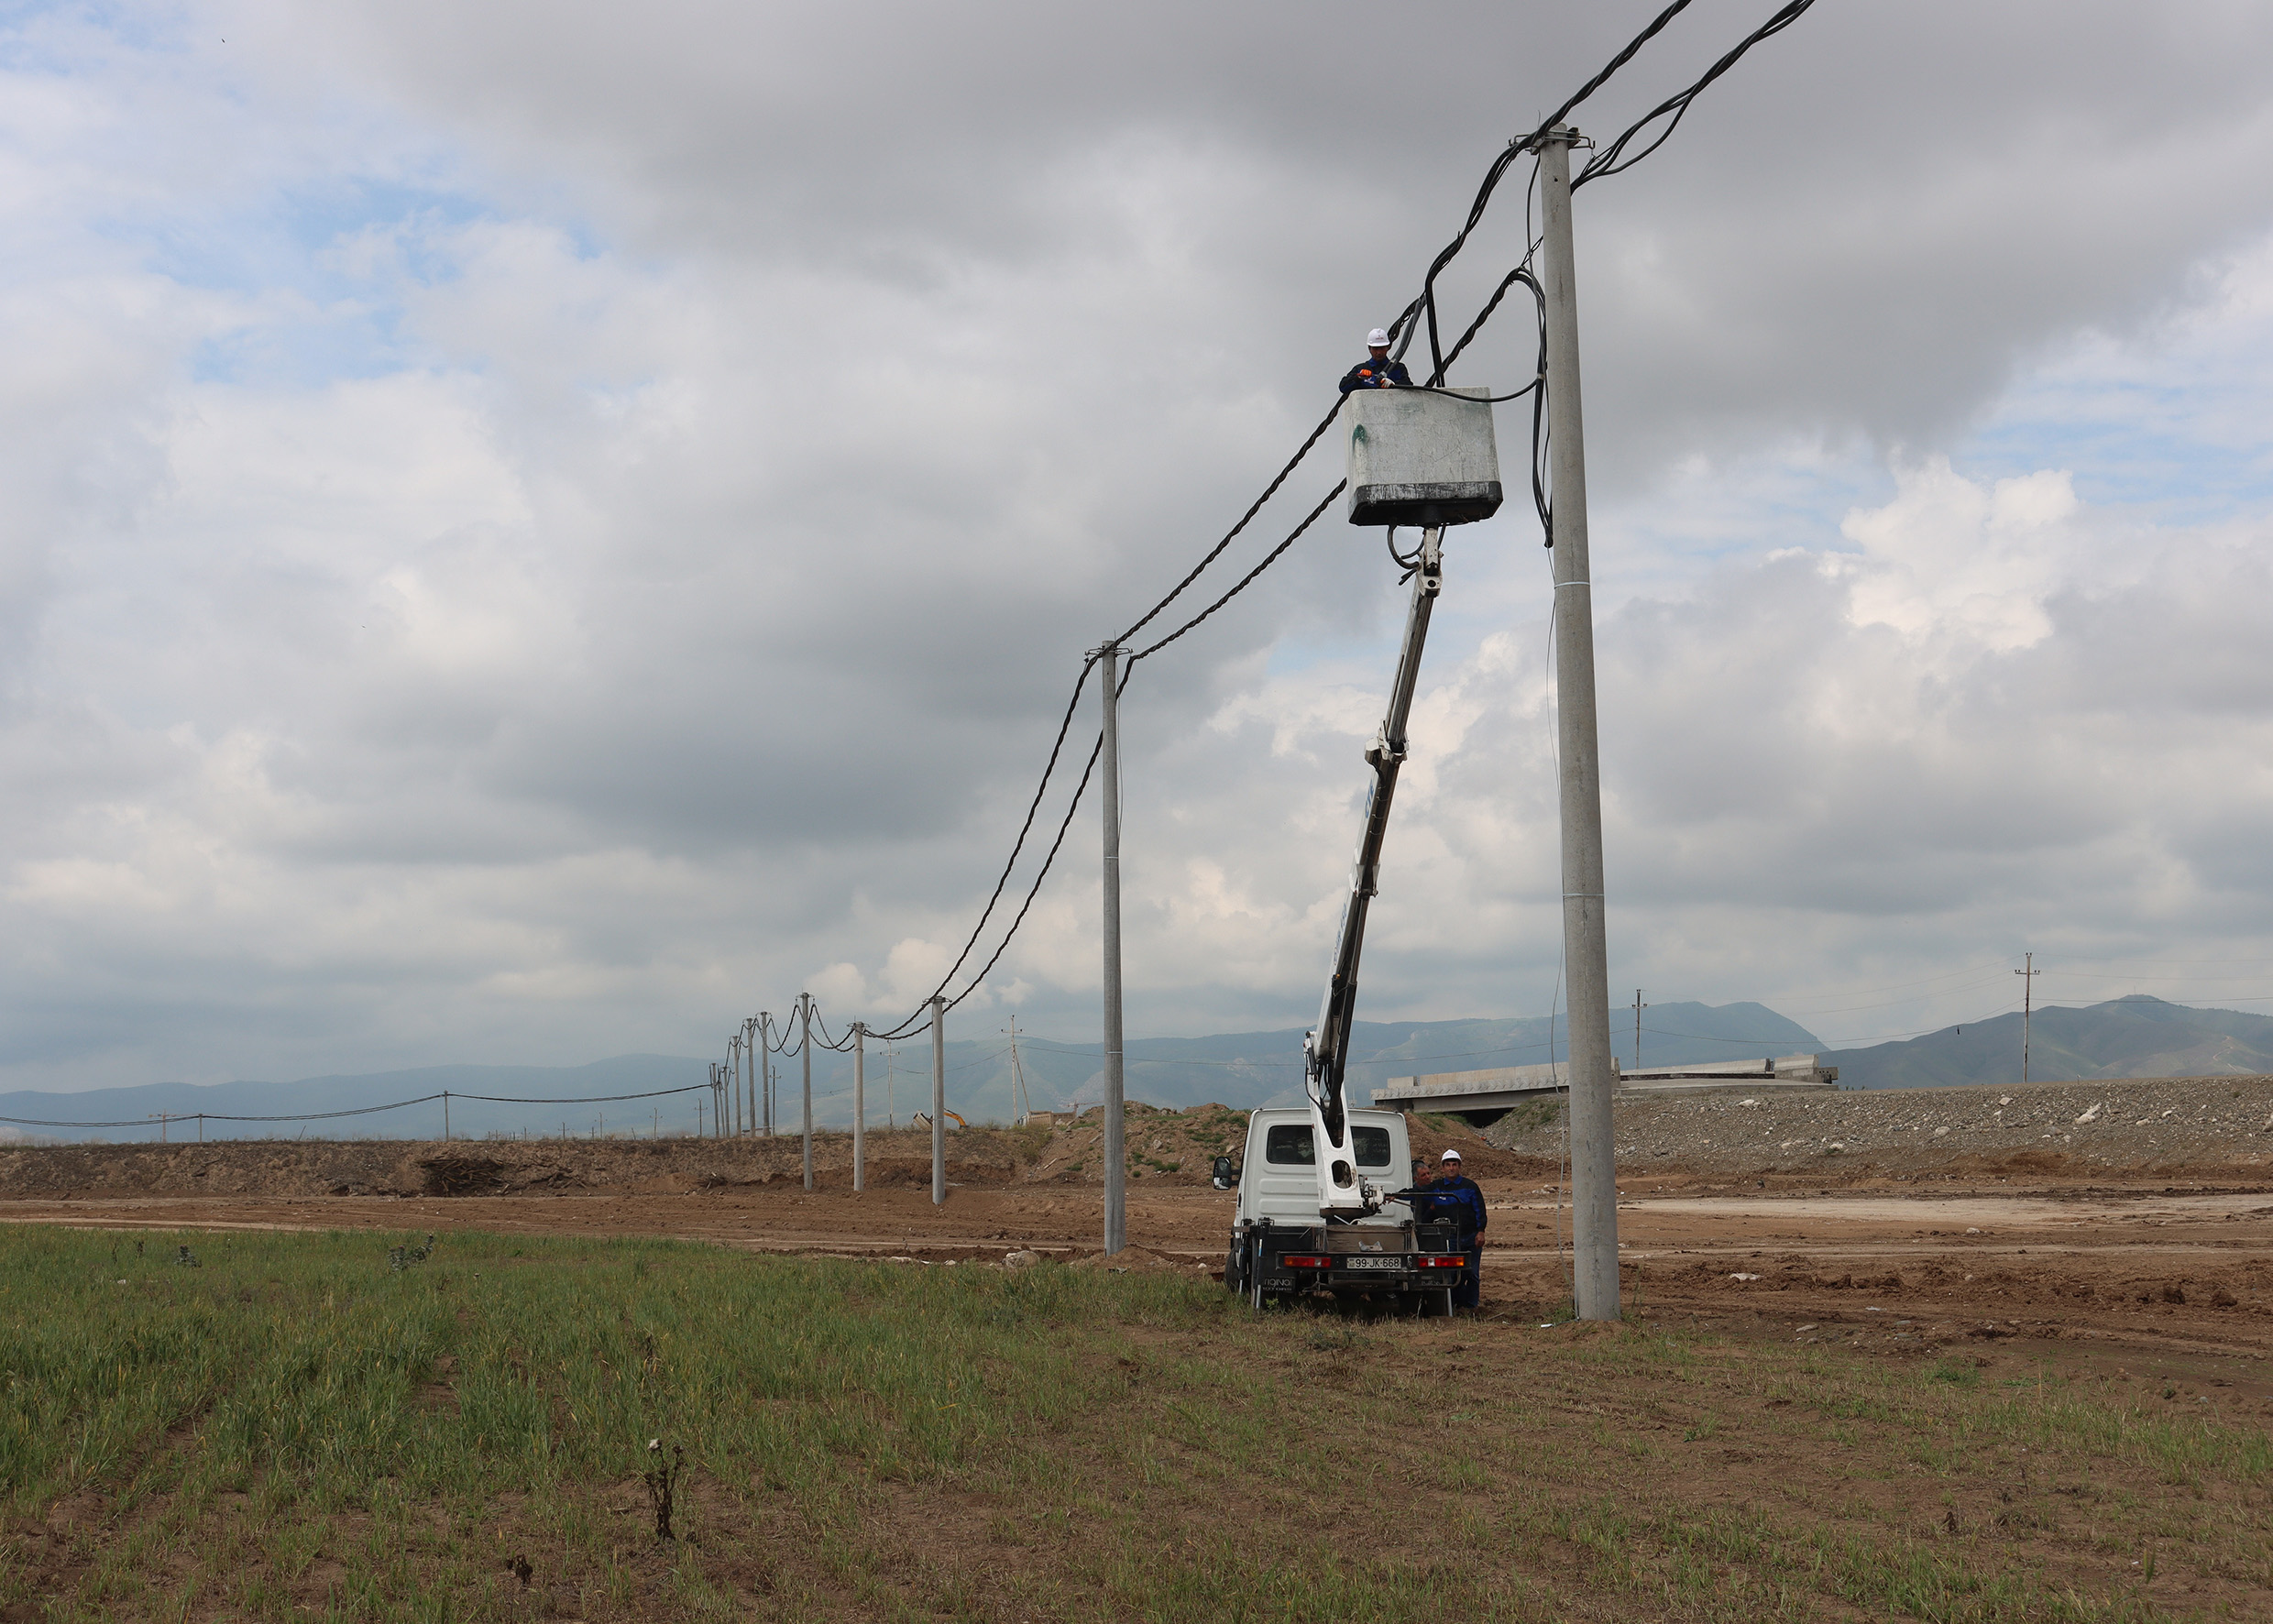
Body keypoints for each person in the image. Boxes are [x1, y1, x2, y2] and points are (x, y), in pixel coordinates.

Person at [1429, 1148, 1488, 1311]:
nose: (1451, 1168)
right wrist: (1395, 1196)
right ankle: (1455, 1304)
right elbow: (1417, 1193)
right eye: (1448, 1165)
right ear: (1442, 1168)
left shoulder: (1470, 1187)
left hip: (1470, 1237)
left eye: (1454, 1165)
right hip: (1451, 1239)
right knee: (1453, 1273)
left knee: (1472, 1273)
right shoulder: (1436, 1187)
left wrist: (1481, 1231)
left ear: (1459, 1167)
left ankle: (1471, 1306)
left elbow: (1480, 1210)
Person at [1340, 327, 1411, 395]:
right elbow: (1343, 387)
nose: (1379, 353)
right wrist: (1357, 378)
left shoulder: (1398, 368)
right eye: (1375, 349)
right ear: (1369, 348)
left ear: (1387, 348)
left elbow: (1409, 387)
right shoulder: (1360, 369)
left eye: (1382, 348)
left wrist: (1394, 384)